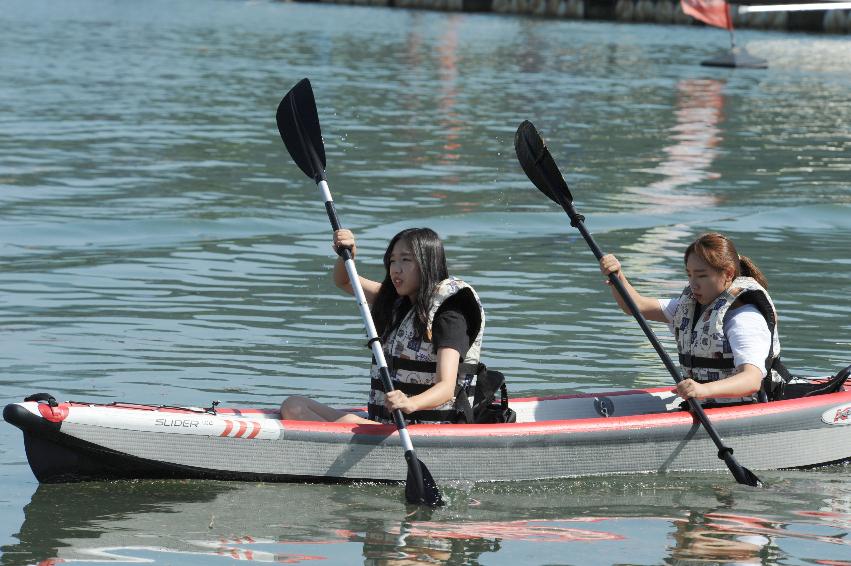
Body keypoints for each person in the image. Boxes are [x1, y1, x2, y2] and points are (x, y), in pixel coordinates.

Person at [280, 227, 485, 424]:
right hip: (388, 423)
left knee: (349, 420)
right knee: (293, 405)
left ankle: (339, 440)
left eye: (405, 259)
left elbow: (446, 387)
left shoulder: (450, 314)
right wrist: (347, 255)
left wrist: (410, 403)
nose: (396, 268)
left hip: (430, 426)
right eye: (392, 261)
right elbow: (345, 281)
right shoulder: (395, 302)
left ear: (428, 263)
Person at [599, 232, 782, 404]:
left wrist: (703, 390)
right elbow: (636, 307)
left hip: (748, 409)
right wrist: (618, 277)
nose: (693, 284)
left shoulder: (744, 318)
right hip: (705, 407)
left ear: (728, 273)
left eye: (701, 275)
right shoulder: (690, 307)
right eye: (689, 274)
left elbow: (751, 380)